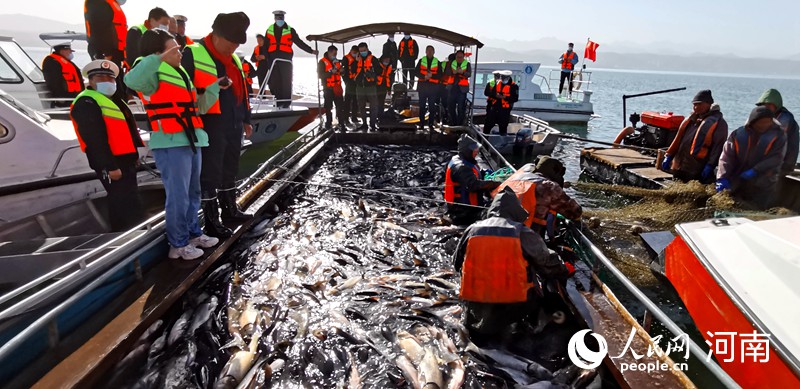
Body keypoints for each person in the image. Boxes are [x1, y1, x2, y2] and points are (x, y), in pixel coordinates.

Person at [124, 29, 219, 260]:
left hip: (192, 138)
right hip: (170, 141)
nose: (180, 52)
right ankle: (178, 244)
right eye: (175, 48)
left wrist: (216, 86)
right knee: (178, 195)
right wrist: (157, 58)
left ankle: (194, 234)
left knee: (193, 191)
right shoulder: (149, 69)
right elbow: (130, 80)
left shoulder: (180, 72)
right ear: (159, 52)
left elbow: (197, 106)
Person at [453, 187, 573, 340]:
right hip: (513, 302)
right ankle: (527, 327)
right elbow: (546, 261)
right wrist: (563, 270)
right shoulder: (522, 232)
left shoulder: (472, 229)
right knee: (541, 289)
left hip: (475, 299)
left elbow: (457, 263)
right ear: (515, 211)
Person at [182, 12, 254, 238]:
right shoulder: (192, 53)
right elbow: (184, 92)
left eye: (238, 43)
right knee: (210, 173)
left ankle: (230, 210)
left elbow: (242, 91)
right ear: (216, 34)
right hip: (209, 124)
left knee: (230, 167)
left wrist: (246, 119)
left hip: (233, 122)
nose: (234, 47)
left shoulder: (233, 59)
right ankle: (212, 221)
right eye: (231, 41)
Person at [70, 59, 144, 231]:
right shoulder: (87, 102)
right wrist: (109, 166)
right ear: (91, 80)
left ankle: (125, 233)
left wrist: (134, 156)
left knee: (125, 200)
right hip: (112, 163)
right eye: (101, 78)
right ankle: (130, 234)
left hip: (125, 160)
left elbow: (124, 132)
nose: (107, 82)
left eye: (110, 79)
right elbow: (94, 139)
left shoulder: (114, 100)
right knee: (124, 202)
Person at [717, 106, 787, 210]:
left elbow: (776, 158)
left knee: (757, 210)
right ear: (753, 121)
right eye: (761, 122)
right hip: (738, 180)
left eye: (767, 122)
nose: (764, 125)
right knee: (730, 207)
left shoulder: (779, 136)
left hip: (763, 183)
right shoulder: (737, 134)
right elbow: (727, 157)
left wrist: (755, 170)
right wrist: (722, 177)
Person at [493, 158, 582, 236]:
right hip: (522, 234)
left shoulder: (517, 176)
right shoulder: (549, 187)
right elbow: (574, 211)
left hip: (494, 224)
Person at [661, 90, 728, 183]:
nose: (696, 107)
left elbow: (718, 147)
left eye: (699, 104)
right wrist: (669, 156)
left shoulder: (720, 124)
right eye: (694, 104)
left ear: (709, 104)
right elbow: (678, 139)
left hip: (696, 170)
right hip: (679, 166)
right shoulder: (691, 119)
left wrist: (710, 165)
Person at [263, 10, 318, 108]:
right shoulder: (269, 29)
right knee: (274, 82)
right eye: (278, 17)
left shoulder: (290, 30)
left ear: (284, 18)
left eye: (281, 17)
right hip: (273, 60)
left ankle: (286, 102)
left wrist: (311, 51)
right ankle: (278, 101)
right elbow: (265, 46)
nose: (279, 19)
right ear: (275, 18)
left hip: (285, 60)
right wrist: (267, 59)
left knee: (286, 81)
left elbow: (299, 42)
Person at [444, 135, 501, 225]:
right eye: (474, 149)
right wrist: (493, 184)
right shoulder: (461, 167)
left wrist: (483, 172)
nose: (476, 151)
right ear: (467, 151)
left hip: (470, 207)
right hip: (462, 211)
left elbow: (473, 172)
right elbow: (473, 185)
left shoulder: (464, 159)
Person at [756, 88, 799, 175]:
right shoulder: (768, 117)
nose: (766, 108)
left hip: (784, 164)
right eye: (764, 105)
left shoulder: (785, 118)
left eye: (769, 105)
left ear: (776, 105)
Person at [84, 0, 128, 68]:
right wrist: (107, 53)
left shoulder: (110, 3)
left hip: (114, 53)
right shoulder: (98, 2)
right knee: (105, 76)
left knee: (116, 77)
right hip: (105, 53)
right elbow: (99, 28)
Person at [42, 42, 84, 108]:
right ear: (62, 51)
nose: (70, 53)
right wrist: (60, 97)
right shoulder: (52, 61)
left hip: (74, 96)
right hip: (65, 98)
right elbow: (53, 81)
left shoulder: (66, 60)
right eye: (69, 51)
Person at [352, 43, 379, 131]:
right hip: (360, 87)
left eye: (364, 50)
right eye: (360, 51)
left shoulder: (373, 59)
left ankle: (372, 124)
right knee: (361, 106)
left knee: (373, 106)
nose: (362, 52)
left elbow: (379, 70)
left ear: (367, 49)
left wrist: (372, 75)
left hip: (371, 86)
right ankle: (364, 124)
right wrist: (356, 62)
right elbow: (352, 70)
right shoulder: (356, 60)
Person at [317, 45, 345, 131]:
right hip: (328, 88)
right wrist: (330, 73)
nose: (335, 55)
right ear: (329, 52)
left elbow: (342, 74)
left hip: (337, 88)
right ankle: (328, 123)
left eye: (336, 54)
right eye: (334, 53)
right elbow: (320, 75)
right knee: (328, 107)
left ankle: (341, 123)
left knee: (340, 106)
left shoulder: (337, 62)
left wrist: (342, 71)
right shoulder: (322, 62)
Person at [483, 70, 518, 136]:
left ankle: (502, 142)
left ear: (508, 77)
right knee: (488, 125)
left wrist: (505, 97)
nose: (502, 79)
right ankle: (484, 140)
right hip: (494, 108)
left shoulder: (514, 86)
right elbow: (491, 93)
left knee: (503, 127)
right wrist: (496, 95)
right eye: (502, 77)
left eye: (504, 77)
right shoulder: (497, 83)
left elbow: (515, 98)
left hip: (505, 110)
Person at [415, 45, 440, 130]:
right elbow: (416, 72)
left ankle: (430, 123)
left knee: (432, 107)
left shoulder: (437, 62)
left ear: (434, 52)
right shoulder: (421, 61)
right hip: (422, 87)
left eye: (431, 51)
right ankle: (421, 123)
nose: (429, 52)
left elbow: (440, 75)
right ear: (425, 52)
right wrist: (424, 76)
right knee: (421, 106)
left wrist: (432, 76)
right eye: (428, 50)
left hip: (432, 88)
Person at [448, 50, 472, 126]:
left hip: (462, 89)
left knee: (461, 108)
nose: (459, 58)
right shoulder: (452, 63)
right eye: (458, 57)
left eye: (461, 57)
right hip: (452, 88)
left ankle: (459, 124)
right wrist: (453, 72)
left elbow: (469, 74)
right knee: (451, 107)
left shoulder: (467, 64)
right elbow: (447, 72)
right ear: (455, 57)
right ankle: (454, 122)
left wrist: (462, 72)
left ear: (463, 57)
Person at [341, 45, 360, 127]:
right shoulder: (345, 58)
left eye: (356, 52)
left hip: (356, 82)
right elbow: (343, 72)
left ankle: (354, 117)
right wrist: (346, 81)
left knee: (356, 100)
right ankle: (346, 118)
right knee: (347, 101)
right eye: (354, 52)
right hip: (349, 82)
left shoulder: (358, 58)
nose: (355, 54)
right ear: (351, 51)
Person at [440, 53, 456, 126]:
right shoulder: (454, 66)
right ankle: (449, 118)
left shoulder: (443, 64)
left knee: (444, 103)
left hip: (443, 86)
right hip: (449, 87)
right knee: (449, 104)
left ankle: (444, 116)